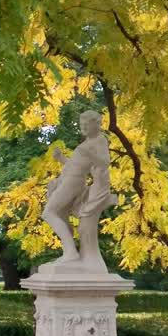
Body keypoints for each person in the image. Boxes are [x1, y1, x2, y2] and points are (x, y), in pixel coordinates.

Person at [42, 110, 116, 268]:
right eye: (81, 124)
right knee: (60, 214)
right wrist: (61, 158)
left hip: (73, 182)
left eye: (86, 125)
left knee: (49, 212)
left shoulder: (99, 140)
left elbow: (104, 162)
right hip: (68, 179)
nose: (83, 127)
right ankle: (68, 253)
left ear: (96, 124)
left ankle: (70, 252)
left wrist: (90, 154)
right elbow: (75, 165)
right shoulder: (85, 144)